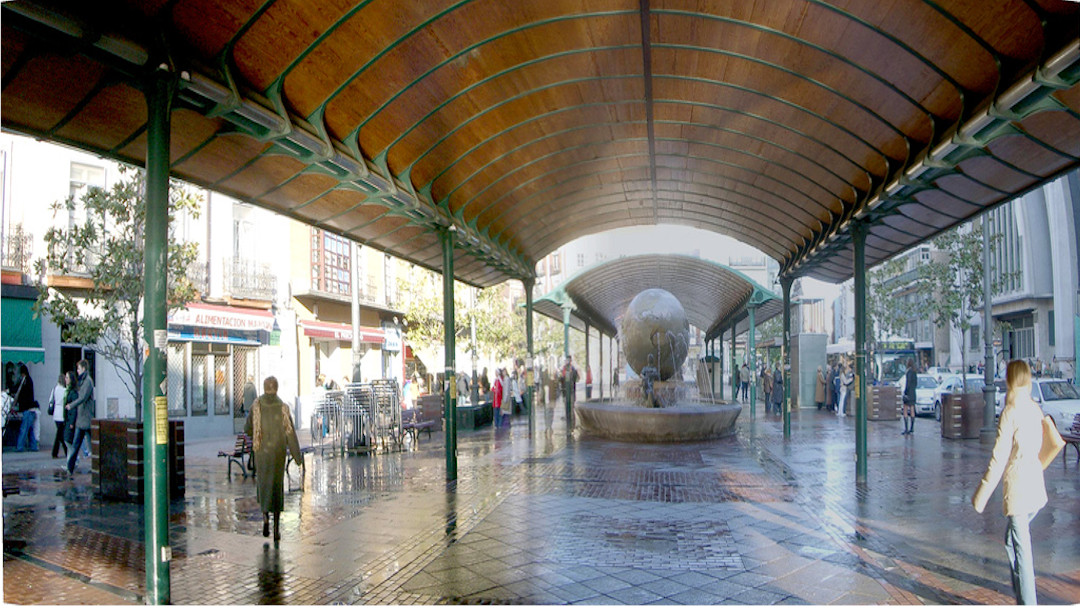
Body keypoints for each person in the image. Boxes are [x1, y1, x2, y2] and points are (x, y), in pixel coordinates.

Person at [972, 360, 1048, 605]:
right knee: (1011, 542)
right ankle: (1021, 594)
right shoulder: (1034, 408)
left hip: (1019, 491)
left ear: (1010, 379)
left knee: (1023, 553)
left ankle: (1027, 601)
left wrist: (980, 496)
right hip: (1035, 487)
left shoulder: (1010, 412)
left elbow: (999, 457)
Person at [245, 376, 302, 542]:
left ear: (264, 387)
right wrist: (297, 457)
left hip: (262, 451)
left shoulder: (256, 406)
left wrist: (256, 435)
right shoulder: (282, 407)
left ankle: (265, 519)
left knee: (263, 485)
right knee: (277, 487)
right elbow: (290, 432)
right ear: (276, 388)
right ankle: (276, 527)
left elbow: (247, 428)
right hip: (278, 452)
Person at [66, 360, 95, 474]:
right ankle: (70, 467)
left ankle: (71, 467)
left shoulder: (87, 381)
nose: (77, 371)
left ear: (83, 369)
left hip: (86, 419)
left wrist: (71, 405)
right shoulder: (83, 381)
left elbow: (82, 397)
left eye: (78, 369)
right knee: (77, 444)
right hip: (82, 419)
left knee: (89, 446)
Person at [12, 364, 38, 452]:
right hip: (30, 409)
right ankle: (33, 446)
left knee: (23, 429)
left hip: (27, 409)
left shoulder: (25, 381)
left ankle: (20, 447)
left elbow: (22, 393)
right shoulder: (28, 380)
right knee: (29, 429)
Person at [49, 373, 69, 458]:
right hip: (62, 414)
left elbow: (50, 400)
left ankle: (60, 451)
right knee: (60, 435)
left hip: (55, 414)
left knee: (60, 434)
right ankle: (63, 451)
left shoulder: (54, 389)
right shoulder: (64, 391)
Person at [560, 355, 579, 426]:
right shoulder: (563, 370)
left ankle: (571, 421)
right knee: (567, 405)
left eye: (568, 360)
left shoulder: (573, 370)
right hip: (565, 391)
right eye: (566, 360)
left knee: (571, 406)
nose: (567, 362)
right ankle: (569, 419)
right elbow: (561, 379)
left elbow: (577, 379)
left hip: (571, 391)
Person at [902, 359, 917, 436]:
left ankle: (906, 428)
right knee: (912, 410)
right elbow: (916, 383)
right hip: (913, 393)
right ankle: (912, 428)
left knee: (905, 409)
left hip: (908, 393)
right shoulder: (915, 372)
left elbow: (908, 383)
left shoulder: (908, 372)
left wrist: (905, 392)